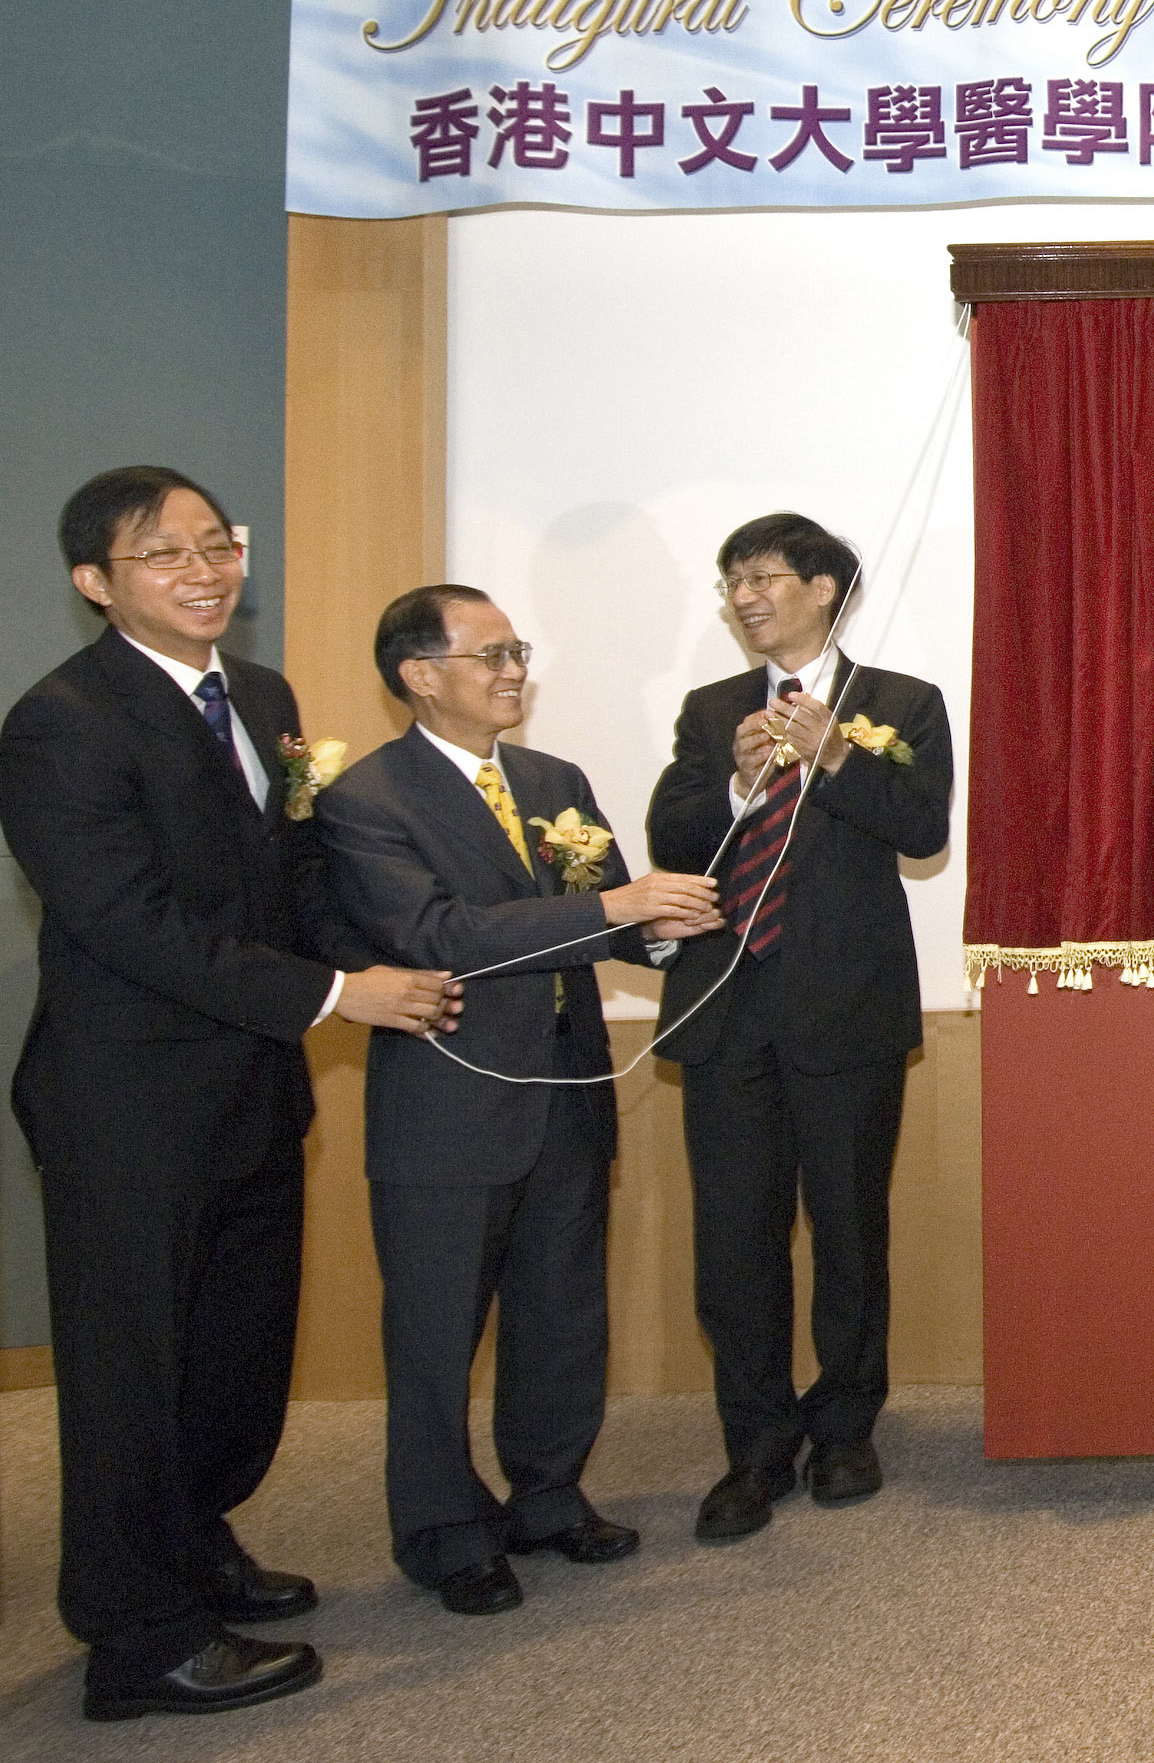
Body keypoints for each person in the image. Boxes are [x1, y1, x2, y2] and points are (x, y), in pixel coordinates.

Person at [0, 467, 457, 1720]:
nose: (204, 571)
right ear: (95, 583)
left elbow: (291, 871)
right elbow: (128, 925)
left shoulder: (259, 696)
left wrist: (373, 957)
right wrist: (332, 996)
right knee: (130, 1374)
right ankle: (136, 1641)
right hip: (126, 1105)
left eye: (218, 544)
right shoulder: (62, 722)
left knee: (231, 1359)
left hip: (254, 1085)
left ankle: (193, 1548)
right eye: (164, 555)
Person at [315, 584, 718, 1615]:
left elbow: (614, 921)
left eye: (517, 652)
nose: (512, 672)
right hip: (446, 1108)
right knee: (438, 1330)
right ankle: (446, 1532)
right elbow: (441, 936)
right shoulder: (367, 801)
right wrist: (614, 907)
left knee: (561, 1313)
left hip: (567, 1090)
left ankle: (548, 1496)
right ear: (419, 674)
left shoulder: (552, 778)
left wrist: (667, 928)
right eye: (491, 654)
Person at [647, 514, 952, 1540]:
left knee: (849, 1231)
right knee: (734, 1241)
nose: (744, 597)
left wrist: (834, 762)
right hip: (727, 1011)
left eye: (764, 577)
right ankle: (755, 1447)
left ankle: (847, 1426)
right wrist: (738, 782)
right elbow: (671, 835)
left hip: (846, 1013)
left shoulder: (901, 702)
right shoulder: (710, 710)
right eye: (731, 580)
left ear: (825, 587)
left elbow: (923, 830)